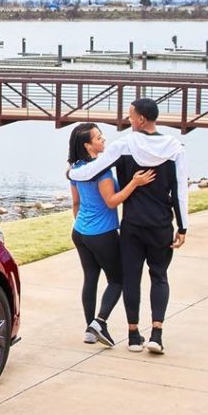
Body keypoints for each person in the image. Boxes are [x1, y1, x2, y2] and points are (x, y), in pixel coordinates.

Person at [68, 98, 188, 354]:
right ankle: (156, 334)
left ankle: (133, 336)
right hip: (160, 225)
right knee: (159, 276)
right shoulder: (175, 148)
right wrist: (183, 226)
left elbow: (91, 171)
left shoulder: (124, 146)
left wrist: (70, 174)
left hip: (132, 226)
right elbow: (180, 192)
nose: (127, 119)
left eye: (130, 115)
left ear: (141, 119)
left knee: (130, 279)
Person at [67, 123, 155, 347]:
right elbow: (111, 201)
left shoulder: (76, 169)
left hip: (80, 232)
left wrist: (82, 225)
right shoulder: (101, 171)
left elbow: (76, 203)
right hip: (102, 234)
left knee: (91, 279)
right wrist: (134, 182)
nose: (103, 139)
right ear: (88, 145)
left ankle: (89, 330)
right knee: (118, 280)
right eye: (98, 137)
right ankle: (99, 322)